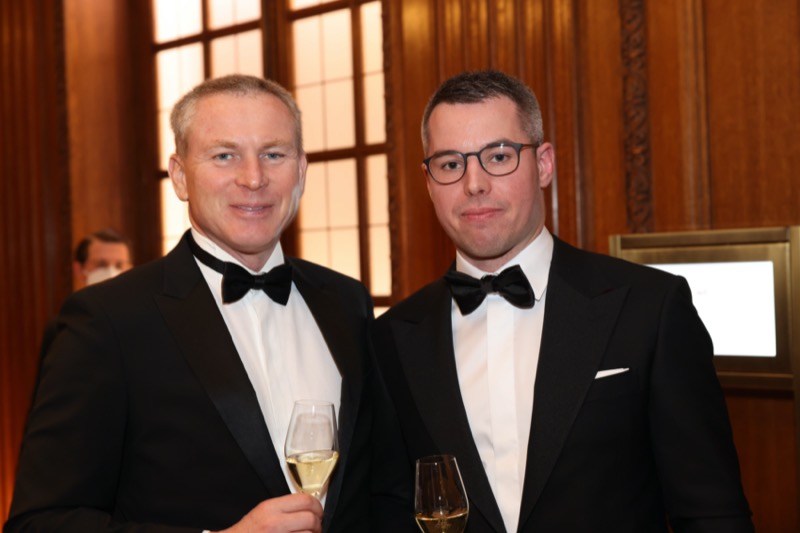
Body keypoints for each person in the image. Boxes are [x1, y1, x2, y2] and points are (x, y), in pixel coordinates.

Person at [5, 74, 410, 533]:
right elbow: (39, 522)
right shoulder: (106, 321)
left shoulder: (346, 302)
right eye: (224, 155)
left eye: (273, 154)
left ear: (301, 170)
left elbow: (381, 491)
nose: (253, 178)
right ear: (180, 176)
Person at [371, 69, 755, 532]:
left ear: (544, 164)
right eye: (451, 164)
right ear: (429, 182)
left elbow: (711, 512)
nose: (474, 184)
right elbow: (388, 510)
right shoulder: (393, 338)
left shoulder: (650, 308)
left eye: (498, 156)